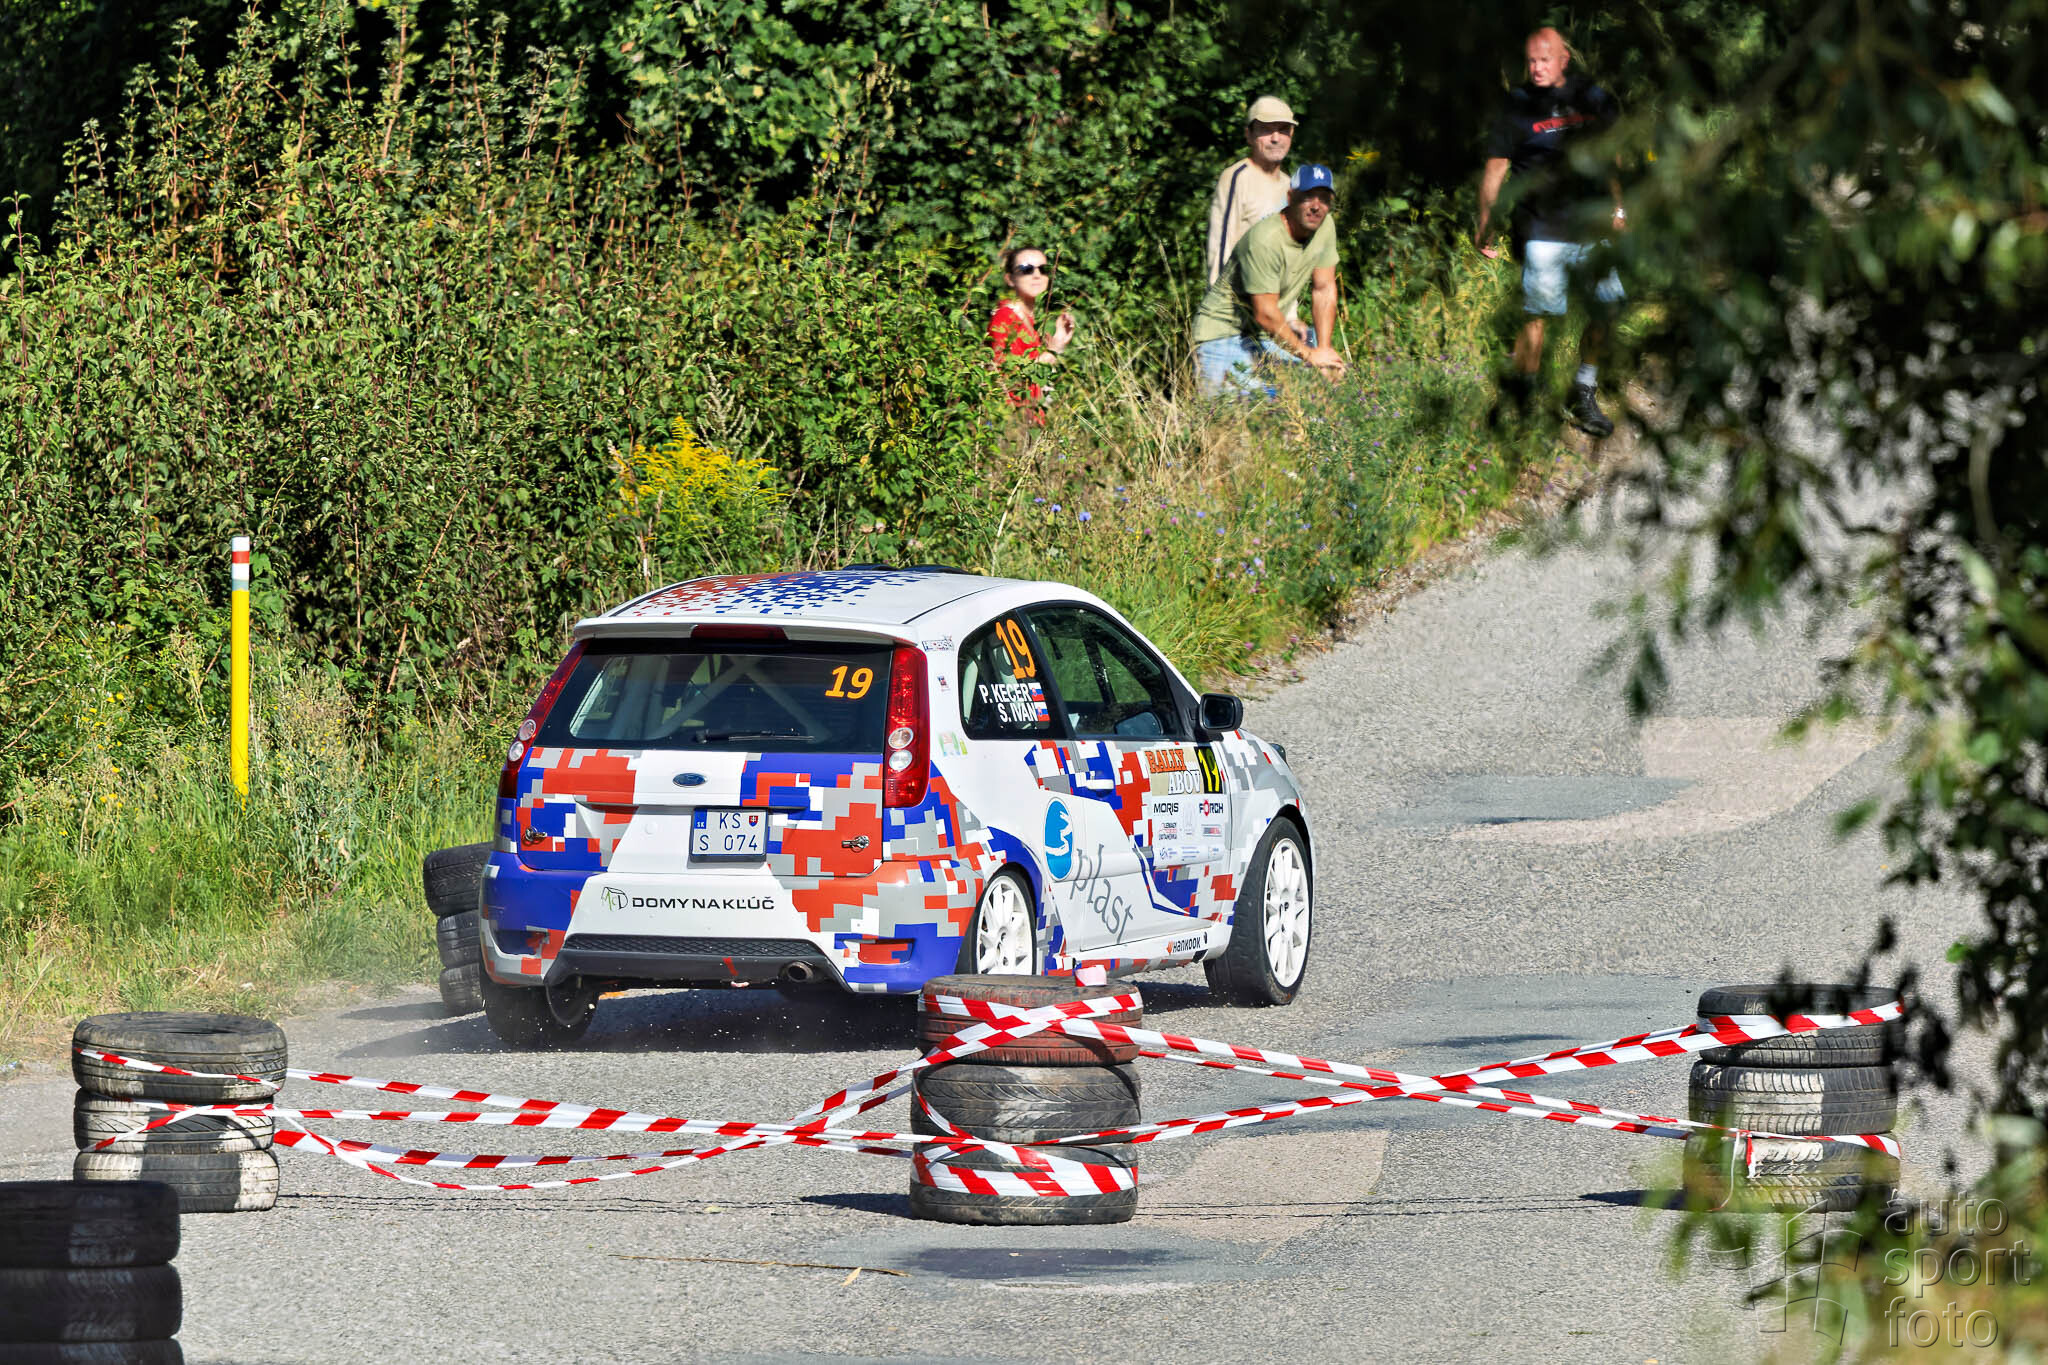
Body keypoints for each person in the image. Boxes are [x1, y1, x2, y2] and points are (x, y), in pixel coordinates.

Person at [1473, 26, 1625, 437]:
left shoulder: (1592, 98)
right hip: (1542, 228)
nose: (1537, 68)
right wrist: (1486, 223)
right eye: (1531, 61)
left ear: (1563, 60)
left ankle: (1583, 389)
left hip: (1593, 225)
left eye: (1545, 60)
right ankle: (1524, 405)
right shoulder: (1516, 107)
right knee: (1537, 315)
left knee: (1608, 307)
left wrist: (1619, 206)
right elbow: (1495, 169)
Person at [1190, 164, 1346, 399]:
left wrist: (1324, 350)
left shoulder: (1325, 226)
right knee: (1238, 412)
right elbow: (1265, 313)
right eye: (1308, 197)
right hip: (1223, 334)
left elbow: (1324, 289)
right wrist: (1310, 356)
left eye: (1324, 199)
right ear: (1290, 198)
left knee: (1312, 395)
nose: (1316, 206)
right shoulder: (1265, 240)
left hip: (1263, 335)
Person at [1206, 96, 1296, 288]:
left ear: (1292, 134)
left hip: (1277, 300)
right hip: (1240, 297)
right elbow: (1220, 245)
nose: (1275, 138)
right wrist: (1218, 298)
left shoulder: (1290, 186)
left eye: (1283, 130)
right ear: (1249, 135)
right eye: (1266, 129)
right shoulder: (1237, 178)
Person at [987, 246, 1075, 423]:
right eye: (1026, 269)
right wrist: (1051, 352)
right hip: (1010, 422)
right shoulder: (1005, 317)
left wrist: (1058, 342)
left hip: (1029, 421)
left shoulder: (1031, 320)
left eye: (1043, 269)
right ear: (1010, 279)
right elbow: (1005, 379)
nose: (1037, 275)